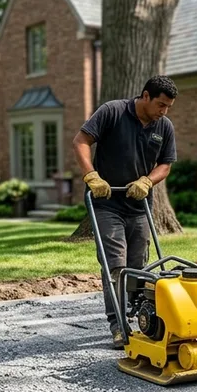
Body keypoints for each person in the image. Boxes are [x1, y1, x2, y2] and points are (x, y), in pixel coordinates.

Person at [73, 75, 178, 348]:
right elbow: (81, 141)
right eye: (161, 105)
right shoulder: (113, 111)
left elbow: (165, 164)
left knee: (139, 268)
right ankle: (118, 324)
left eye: (168, 107)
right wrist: (91, 176)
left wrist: (147, 181)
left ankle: (142, 319)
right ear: (146, 96)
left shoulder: (164, 126)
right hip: (107, 204)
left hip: (139, 206)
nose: (164, 111)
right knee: (116, 266)